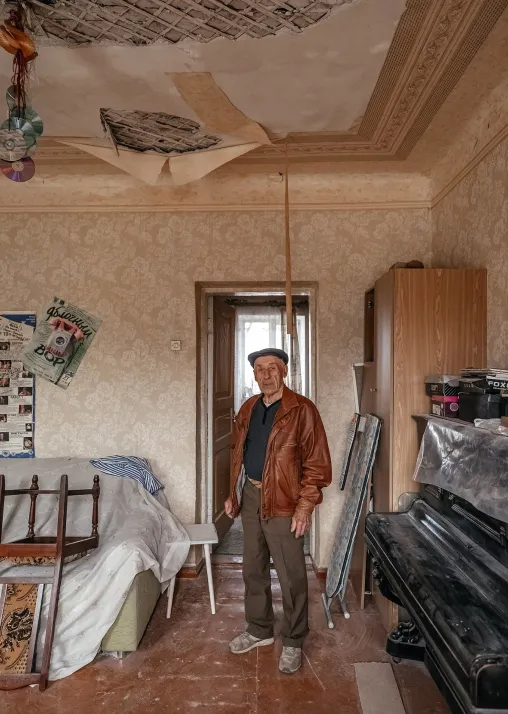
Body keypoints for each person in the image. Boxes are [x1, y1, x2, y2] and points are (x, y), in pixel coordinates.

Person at [225, 348, 332, 674]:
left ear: (284, 372)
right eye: (260, 369)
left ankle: (294, 639)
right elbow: (238, 454)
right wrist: (233, 493)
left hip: (286, 501)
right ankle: (259, 630)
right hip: (253, 495)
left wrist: (304, 507)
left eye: (273, 368)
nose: (266, 374)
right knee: (252, 569)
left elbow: (316, 465)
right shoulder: (248, 408)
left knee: (291, 574)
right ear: (254, 375)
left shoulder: (302, 410)